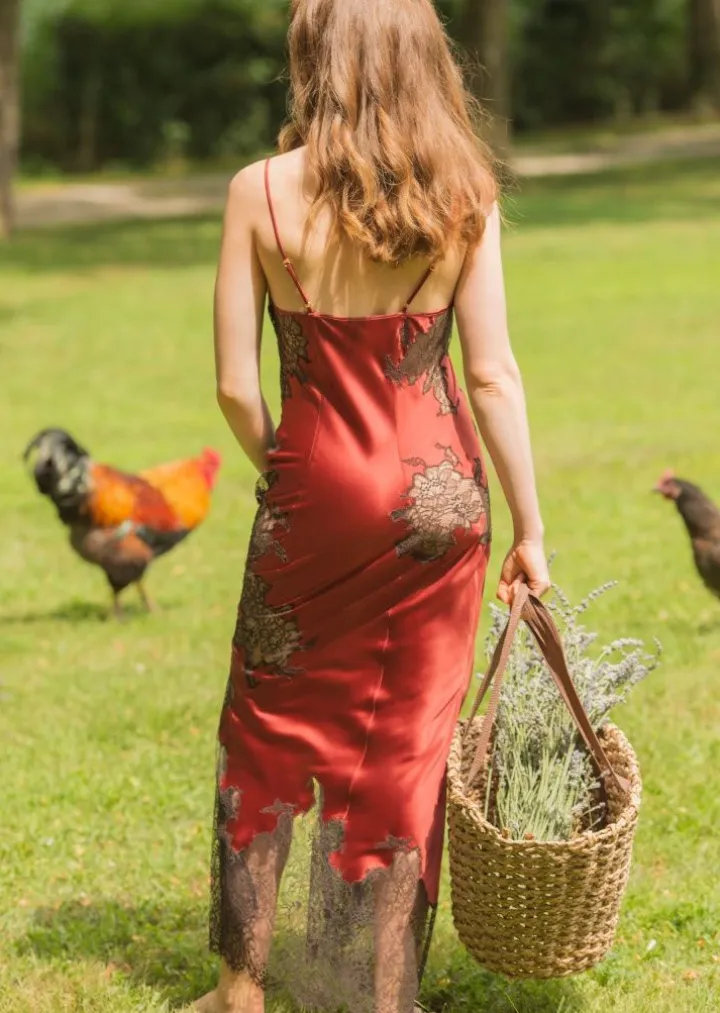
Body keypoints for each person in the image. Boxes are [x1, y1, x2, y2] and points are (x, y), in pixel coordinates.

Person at [199, 1, 549, 1011]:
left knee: (266, 721)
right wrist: (531, 527)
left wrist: (287, 471)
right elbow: (492, 375)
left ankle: (240, 988)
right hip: (437, 501)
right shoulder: (464, 192)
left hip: (312, 486)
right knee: (406, 743)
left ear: (314, 58)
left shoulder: (258, 190)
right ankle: (381, 990)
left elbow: (234, 386)